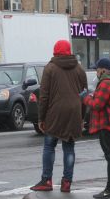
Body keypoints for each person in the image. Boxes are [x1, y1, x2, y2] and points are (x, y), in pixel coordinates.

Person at [30, 40, 87, 193]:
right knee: (69, 146)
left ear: (55, 51)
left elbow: (44, 96)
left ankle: (46, 179)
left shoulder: (50, 68)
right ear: (69, 51)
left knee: (49, 145)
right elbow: (84, 95)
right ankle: (67, 182)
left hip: (55, 112)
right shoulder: (79, 69)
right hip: (74, 111)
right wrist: (81, 116)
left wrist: (41, 118)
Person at [81, 58, 110, 199]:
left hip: (106, 124)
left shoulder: (106, 83)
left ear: (103, 70)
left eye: (97, 69)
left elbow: (97, 104)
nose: (96, 72)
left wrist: (85, 97)